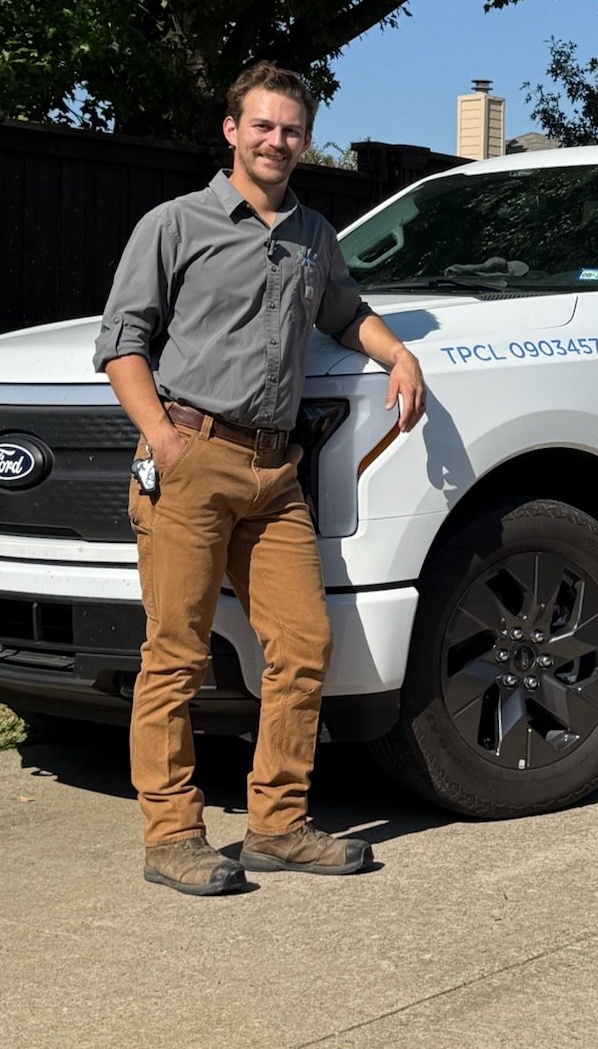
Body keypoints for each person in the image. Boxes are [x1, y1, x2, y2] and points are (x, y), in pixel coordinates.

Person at [94, 61, 425, 896]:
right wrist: (163, 439)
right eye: (264, 125)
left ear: (306, 141)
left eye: (292, 129)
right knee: (176, 654)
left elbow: (346, 314)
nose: (278, 140)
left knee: (305, 646)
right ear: (232, 131)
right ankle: (172, 836)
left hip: (276, 473)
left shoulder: (314, 234)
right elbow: (122, 342)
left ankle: (278, 826)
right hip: (191, 459)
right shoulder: (175, 224)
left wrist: (399, 354)